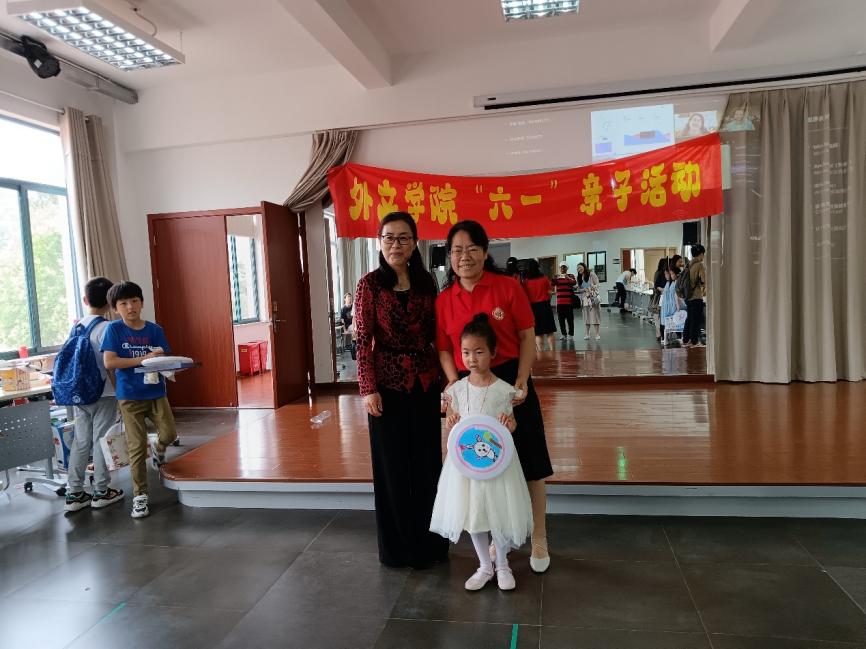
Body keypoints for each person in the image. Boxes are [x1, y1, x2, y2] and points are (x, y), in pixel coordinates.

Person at [436, 220, 553, 574]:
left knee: (531, 461)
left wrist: (522, 381)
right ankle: (497, 538)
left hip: (510, 381)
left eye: (472, 249)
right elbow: (444, 349)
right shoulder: (444, 300)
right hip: (468, 388)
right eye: (457, 250)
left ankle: (539, 536)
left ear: (485, 252)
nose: (464, 256)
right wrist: (455, 387)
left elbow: (527, 335)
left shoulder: (507, 287)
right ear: (449, 256)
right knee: (482, 465)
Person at [354, 211, 448, 568]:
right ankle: (396, 549)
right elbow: (363, 340)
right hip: (386, 386)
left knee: (426, 465)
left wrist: (447, 384)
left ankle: (429, 546)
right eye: (389, 237)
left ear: (414, 243)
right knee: (391, 468)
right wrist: (368, 388)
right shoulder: (369, 285)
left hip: (425, 384)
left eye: (403, 237)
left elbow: (437, 335)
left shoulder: (426, 281)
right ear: (380, 242)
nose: (396, 244)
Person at [430, 314, 532, 591]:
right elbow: (454, 425)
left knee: (499, 511)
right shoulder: (457, 390)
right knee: (474, 513)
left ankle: (502, 565)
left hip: (498, 464)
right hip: (466, 466)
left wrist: (510, 424)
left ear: (493, 353)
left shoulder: (504, 390)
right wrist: (451, 420)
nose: (471, 359)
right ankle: (485, 566)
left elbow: (511, 424)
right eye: (465, 352)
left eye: (478, 352)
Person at [101, 281, 178, 519]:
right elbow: (109, 362)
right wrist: (143, 359)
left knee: (169, 434)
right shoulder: (114, 330)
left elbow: (163, 356)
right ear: (115, 308)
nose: (130, 306)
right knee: (136, 447)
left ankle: (159, 449)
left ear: (142, 303)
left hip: (156, 392)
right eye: (123, 303)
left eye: (134, 301)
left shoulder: (154, 330)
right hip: (129, 396)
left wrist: (164, 360)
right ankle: (140, 496)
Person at [64, 277, 125, 513]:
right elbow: (111, 365)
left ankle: (74, 493)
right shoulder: (109, 328)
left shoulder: (76, 326)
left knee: (81, 441)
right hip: (104, 393)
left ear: (85, 300)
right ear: (111, 302)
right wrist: (120, 393)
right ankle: (101, 490)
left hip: (79, 394)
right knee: (101, 439)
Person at [522, 259, 556, 352]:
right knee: (550, 331)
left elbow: (525, 296)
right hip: (545, 306)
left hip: (533, 308)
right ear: (538, 267)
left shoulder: (526, 281)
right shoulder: (544, 278)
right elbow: (550, 292)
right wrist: (548, 300)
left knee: (538, 333)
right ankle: (552, 351)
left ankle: (540, 352)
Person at [682, 244, 707, 348]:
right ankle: (694, 341)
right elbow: (703, 280)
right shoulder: (699, 265)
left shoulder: (688, 264)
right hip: (696, 296)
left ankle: (686, 339)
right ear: (700, 254)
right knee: (695, 320)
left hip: (688, 296)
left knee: (689, 318)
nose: (703, 256)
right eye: (703, 254)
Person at [575, 262, 602, 340]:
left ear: (584, 267)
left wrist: (592, 287)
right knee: (586, 316)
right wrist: (583, 289)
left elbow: (597, 284)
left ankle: (597, 334)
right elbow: (579, 289)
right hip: (584, 299)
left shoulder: (591, 274)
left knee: (595, 315)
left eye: (580, 267)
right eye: (577, 268)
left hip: (593, 298)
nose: (579, 269)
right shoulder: (579, 277)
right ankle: (587, 334)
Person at [553, 264, 577, 339]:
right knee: (561, 320)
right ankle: (564, 334)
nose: (562, 269)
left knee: (570, 319)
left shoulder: (571, 275)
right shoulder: (558, 277)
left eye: (564, 267)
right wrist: (554, 278)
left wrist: (567, 277)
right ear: (559, 268)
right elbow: (552, 284)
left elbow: (574, 282)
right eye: (561, 267)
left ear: (567, 268)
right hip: (560, 302)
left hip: (569, 302)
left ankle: (571, 334)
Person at [651, 258, 669, 342]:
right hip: (659, 297)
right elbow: (657, 286)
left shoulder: (657, 273)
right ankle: (661, 334)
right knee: (659, 316)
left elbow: (655, 285)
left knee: (657, 317)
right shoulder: (661, 273)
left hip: (657, 297)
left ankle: (659, 334)